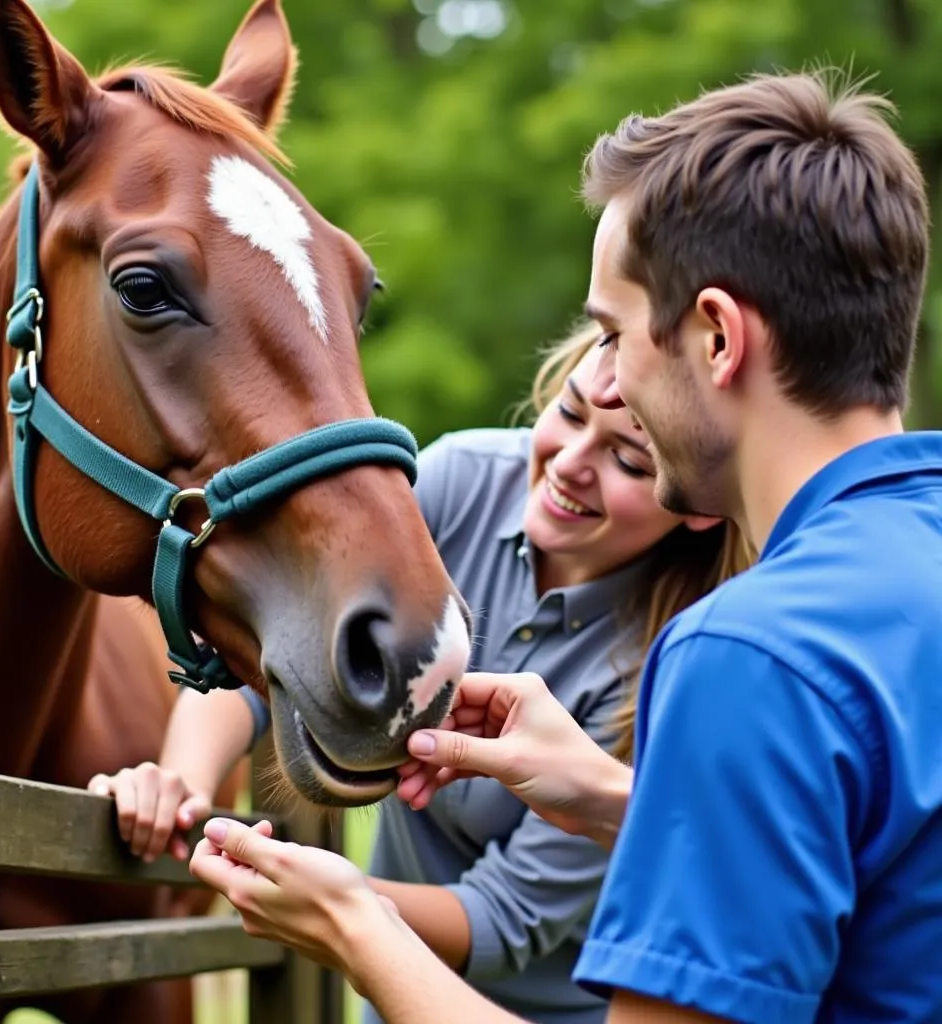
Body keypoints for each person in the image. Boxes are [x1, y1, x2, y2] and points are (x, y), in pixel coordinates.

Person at [189, 69, 942, 1024]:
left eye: (614, 333)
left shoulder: (751, 657)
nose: (607, 382)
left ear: (716, 338)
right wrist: (614, 795)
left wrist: (353, 920)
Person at [91, 321, 751, 1023]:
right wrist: (183, 783)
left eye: (629, 462)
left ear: (696, 502)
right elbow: (273, 647)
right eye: (569, 413)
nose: (569, 463)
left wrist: (331, 898)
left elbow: (502, 919)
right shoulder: (459, 479)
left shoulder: (678, 670)